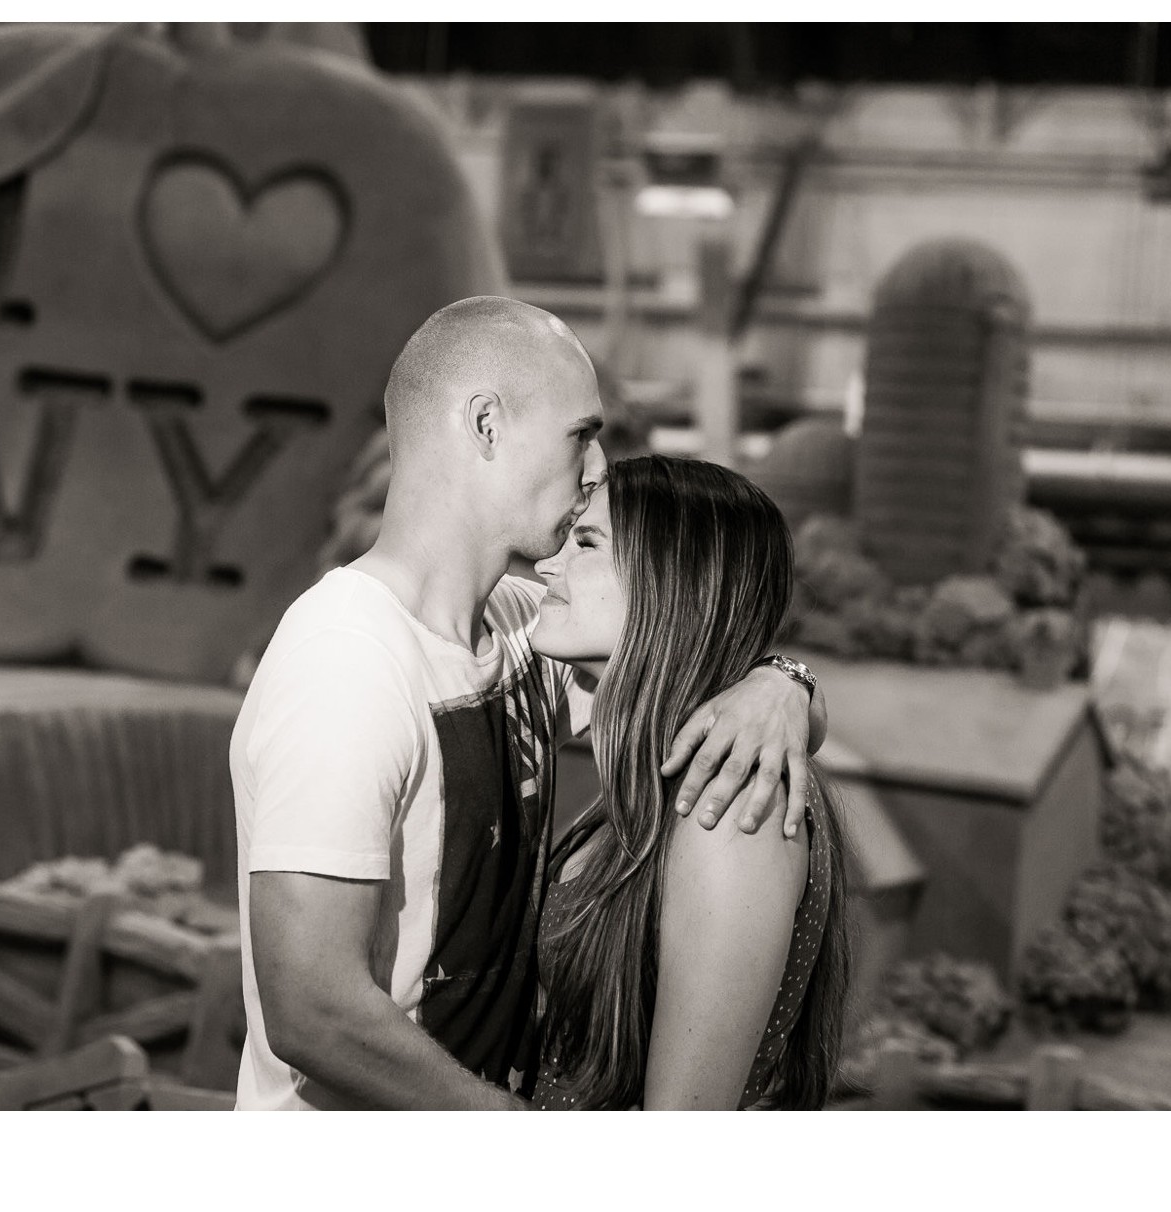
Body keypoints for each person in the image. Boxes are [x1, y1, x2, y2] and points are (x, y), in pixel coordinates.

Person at [232, 296, 827, 1110]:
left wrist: (783, 683)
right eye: (581, 434)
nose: (594, 470)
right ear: (485, 425)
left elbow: (674, 660)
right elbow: (309, 1008)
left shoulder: (517, 628)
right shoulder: (347, 658)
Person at [529, 456, 850, 1110]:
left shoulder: (732, 808)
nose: (547, 563)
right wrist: (787, 676)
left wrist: (786, 680)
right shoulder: (666, 777)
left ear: (675, 583)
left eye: (586, 542)